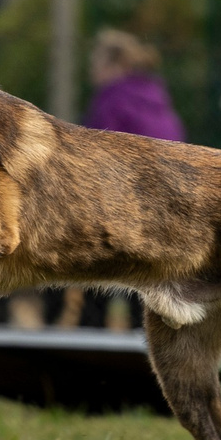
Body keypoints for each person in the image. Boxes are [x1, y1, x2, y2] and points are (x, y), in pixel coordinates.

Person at [43, 29, 185, 327]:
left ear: (114, 65)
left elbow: (93, 160)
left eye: (96, 64)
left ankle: (87, 349)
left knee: (96, 282)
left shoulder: (111, 100)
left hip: (117, 213)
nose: (93, 72)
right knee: (142, 298)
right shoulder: (159, 101)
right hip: (162, 218)